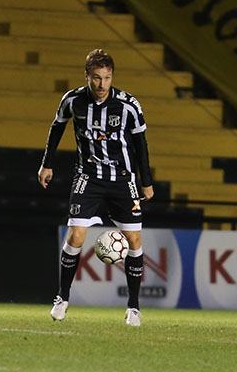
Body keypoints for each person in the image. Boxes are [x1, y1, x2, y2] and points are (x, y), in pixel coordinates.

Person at [38, 49, 154, 326]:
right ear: (87, 77)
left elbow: (140, 145)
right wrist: (47, 164)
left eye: (107, 78)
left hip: (123, 179)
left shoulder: (128, 106)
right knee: (76, 237)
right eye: (96, 78)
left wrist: (146, 181)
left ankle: (134, 308)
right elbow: (57, 128)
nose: (102, 85)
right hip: (88, 177)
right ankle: (62, 298)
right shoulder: (72, 101)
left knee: (134, 242)